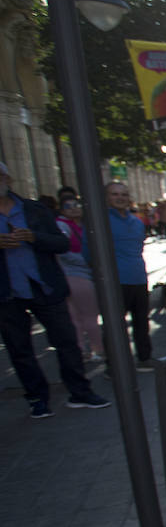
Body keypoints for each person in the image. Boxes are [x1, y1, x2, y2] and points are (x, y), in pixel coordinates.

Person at [0, 162, 109, 416]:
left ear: (8, 178)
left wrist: (33, 237)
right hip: (7, 293)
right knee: (19, 348)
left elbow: (61, 243)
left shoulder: (34, 210)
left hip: (45, 287)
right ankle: (37, 398)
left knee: (67, 341)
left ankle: (80, 392)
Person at [90, 181, 153, 369]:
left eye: (124, 194)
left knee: (141, 321)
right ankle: (115, 365)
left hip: (138, 278)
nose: (120, 198)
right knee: (115, 326)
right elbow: (89, 252)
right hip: (114, 281)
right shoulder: (100, 221)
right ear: (106, 197)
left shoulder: (136, 222)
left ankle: (144, 358)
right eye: (115, 194)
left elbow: (138, 247)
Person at [53, 188, 103, 363]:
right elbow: (63, 251)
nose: (74, 209)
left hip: (77, 275)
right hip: (76, 276)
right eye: (68, 206)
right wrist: (88, 262)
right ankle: (95, 349)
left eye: (76, 205)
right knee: (86, 316)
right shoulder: (61, 226)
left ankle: (83, 349)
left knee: (79, 316)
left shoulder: (85, 225)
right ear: (62, 209)